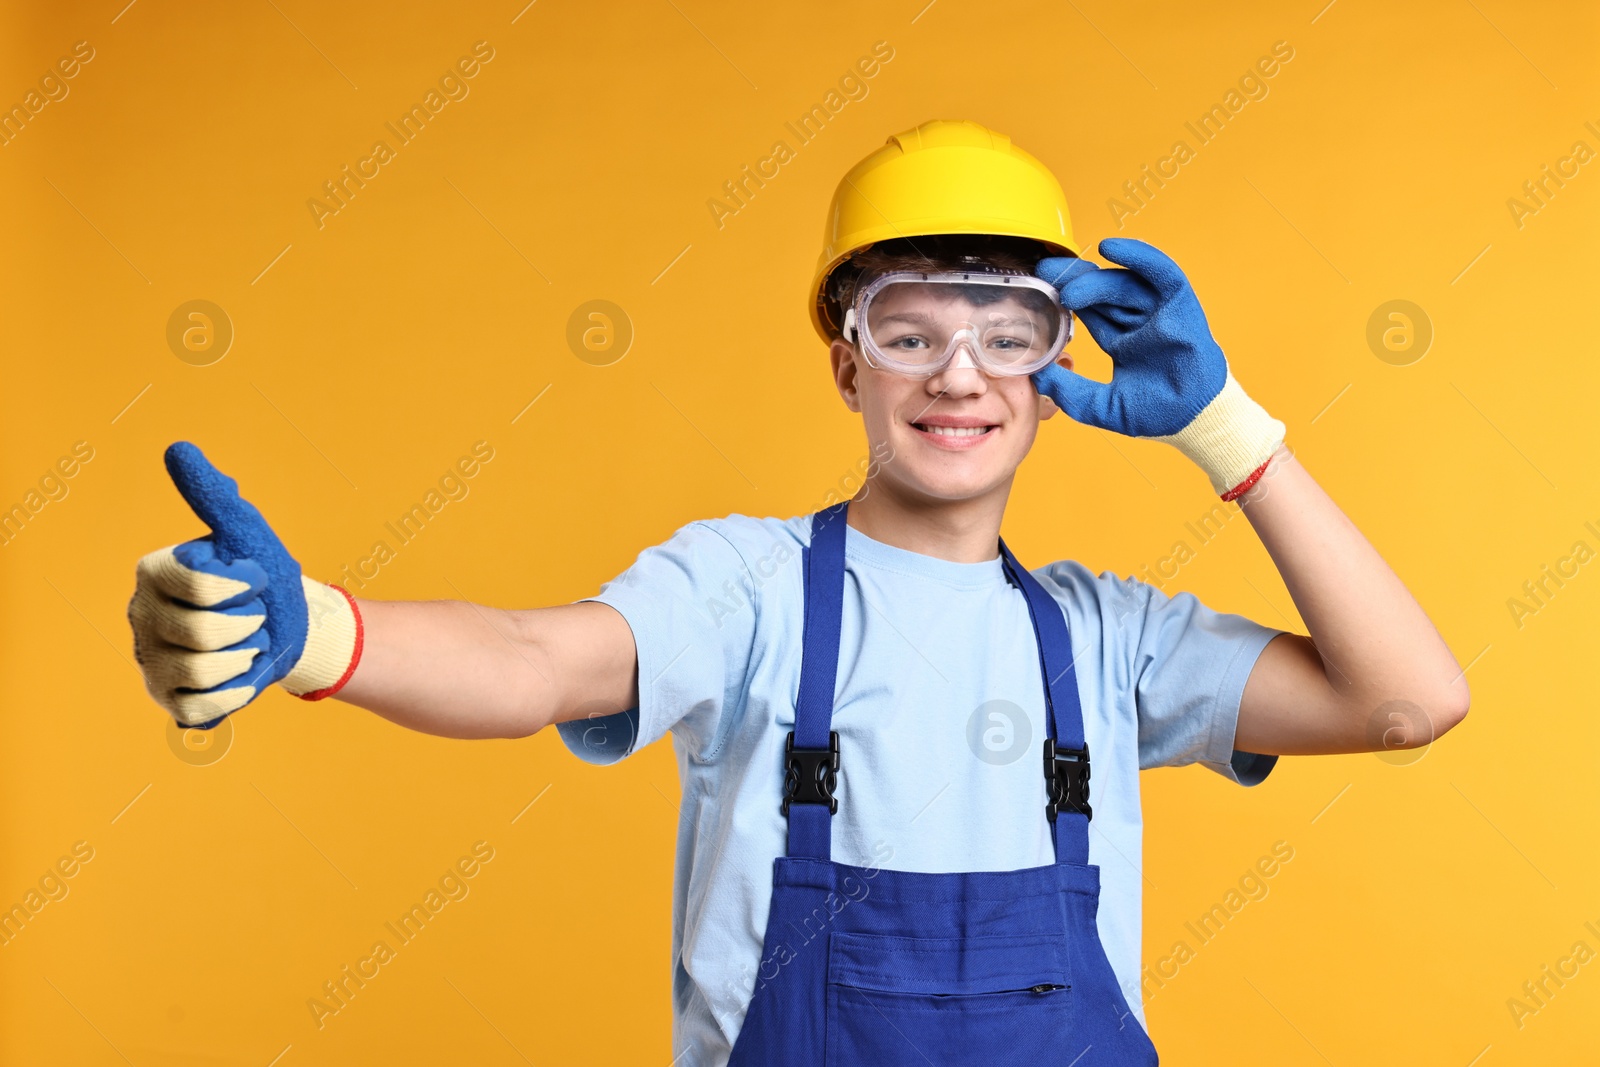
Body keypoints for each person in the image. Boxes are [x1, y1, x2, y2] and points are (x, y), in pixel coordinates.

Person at [126, 119, 1469, 1066]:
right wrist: (327, 635)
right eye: (908, 328)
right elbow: (538, 661)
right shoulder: (748, 589)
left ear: (1060, 373)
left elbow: (1410, 700)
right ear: (847, 365)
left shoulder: (1107, 637)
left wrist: (1226, 431)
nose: (959, 372)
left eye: (1009, 333)